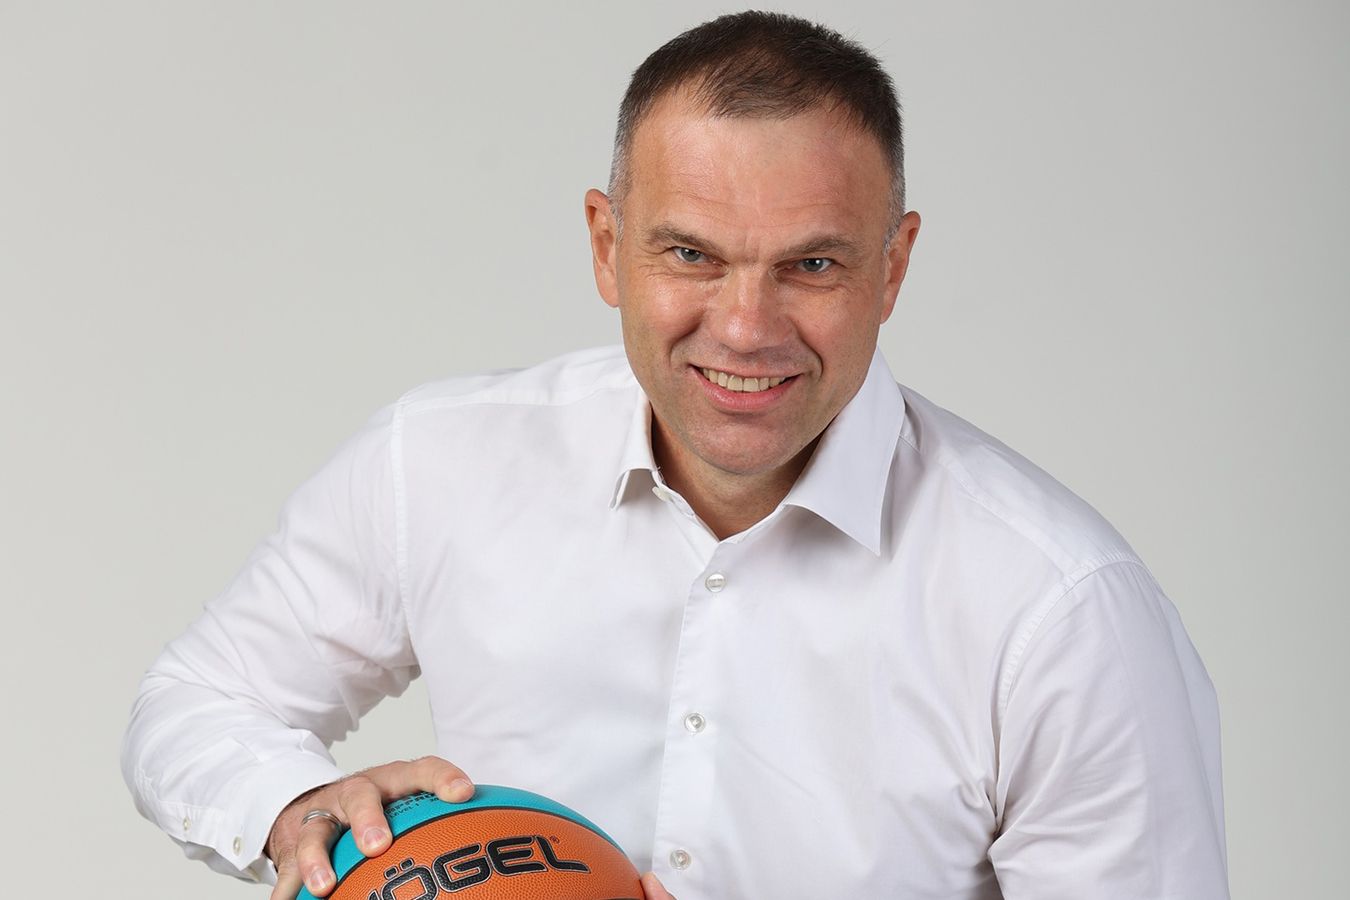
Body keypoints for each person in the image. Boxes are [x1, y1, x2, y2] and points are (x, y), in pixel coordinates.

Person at [122, 11, 1229, 899]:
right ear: (608, 246)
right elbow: (197, 700)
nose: (745, 328)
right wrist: (289, 807)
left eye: (812, 265)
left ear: (893, 268)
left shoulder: (1059, 612)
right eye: (691, 254)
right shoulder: (442, 464)